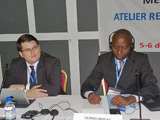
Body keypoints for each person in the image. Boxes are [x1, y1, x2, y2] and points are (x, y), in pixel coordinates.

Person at [81, 29, 160, 106]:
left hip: (132, 105)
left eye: (124, 48)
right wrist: (90, 94)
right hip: (111, 103)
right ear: (111, 45)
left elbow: (152, 87)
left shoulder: (140, 59)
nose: (119, 52)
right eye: (115, 47)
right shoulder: (104, 60)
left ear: (131, 46)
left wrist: (131, 98)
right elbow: (88, 84)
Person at [3, 34, 64, 99]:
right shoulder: (16, 64)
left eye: (35, 47)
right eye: (28, 50)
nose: (33, 52)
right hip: (27, 103)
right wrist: (26, 93)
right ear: (21, 54)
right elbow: (6, 90)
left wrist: (26, 87)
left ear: (39, 47)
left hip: (51, 100)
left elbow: (54, 89)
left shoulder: (52, 62)